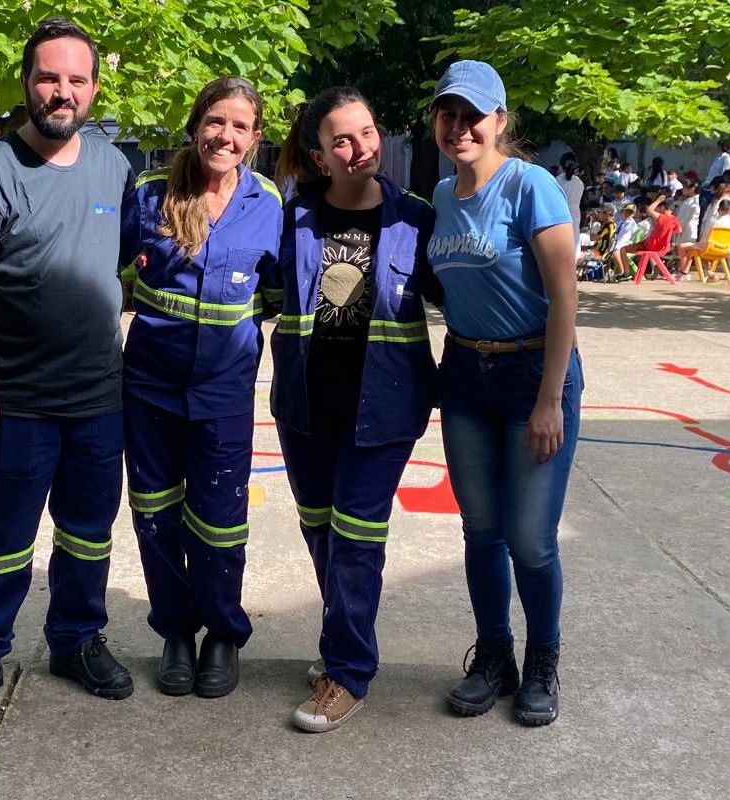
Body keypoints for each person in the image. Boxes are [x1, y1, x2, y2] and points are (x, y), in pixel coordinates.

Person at [0, 18, 136, 728]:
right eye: (49, 77)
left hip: (98, 399)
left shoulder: (114, 166)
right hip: (12, 401)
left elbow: (130, 257)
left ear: (94, 87)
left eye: (76, 79)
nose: (62, 91)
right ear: (26, 82)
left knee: (88, 532)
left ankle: (76, 640)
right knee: (4, 537)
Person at [272, 87, 442, 732]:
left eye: (367, 132)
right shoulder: (292, 220)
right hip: (305, 405)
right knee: (320, 528)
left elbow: (462, 294)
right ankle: (339, 643)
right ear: (318, 156)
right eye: (341, 140)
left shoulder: (417, 218)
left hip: (387, 407)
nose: (360, 149)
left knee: (356, 536)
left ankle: (347, 672)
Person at [426, 60, 582, 726]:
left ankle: (543, 660)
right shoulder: (440, 196)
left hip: (531, 377)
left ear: (499, 121)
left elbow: (565, 293)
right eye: (448, 114)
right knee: (481, 531)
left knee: (530, 538)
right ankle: (495, 656)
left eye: (473, 115)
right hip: (464, 373)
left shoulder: (530, 185)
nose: (459, 127)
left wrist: (550, 396)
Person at [118, 77, 281, 699]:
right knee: (155, 515)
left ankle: (221, 633)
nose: (226, 136)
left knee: (219, 519)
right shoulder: (150, 194)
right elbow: (106, 268)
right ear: (195, 126)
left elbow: (274, 298)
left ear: (255, 138)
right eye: (216, 121)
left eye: (240, 126)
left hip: (224, 392)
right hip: (151, 386)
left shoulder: (270, 204)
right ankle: (176, 633)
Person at [613, 195, 679, 277]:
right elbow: (678, 230)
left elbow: (649, 210)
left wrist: (658, 200)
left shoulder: (661, 217)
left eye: (658, 207)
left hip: (650, 245)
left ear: (662, 207)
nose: (656, 209)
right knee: (649, 253)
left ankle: (626, 273)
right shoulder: (674, 219)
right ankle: (656, 266)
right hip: (664, 247)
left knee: (623, 249)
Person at [555, 152, 584, 237]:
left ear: (560, 165)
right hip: (575, 214)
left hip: (560, 214)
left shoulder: (557, 180)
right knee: (574, 239)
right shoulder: (579, 182)